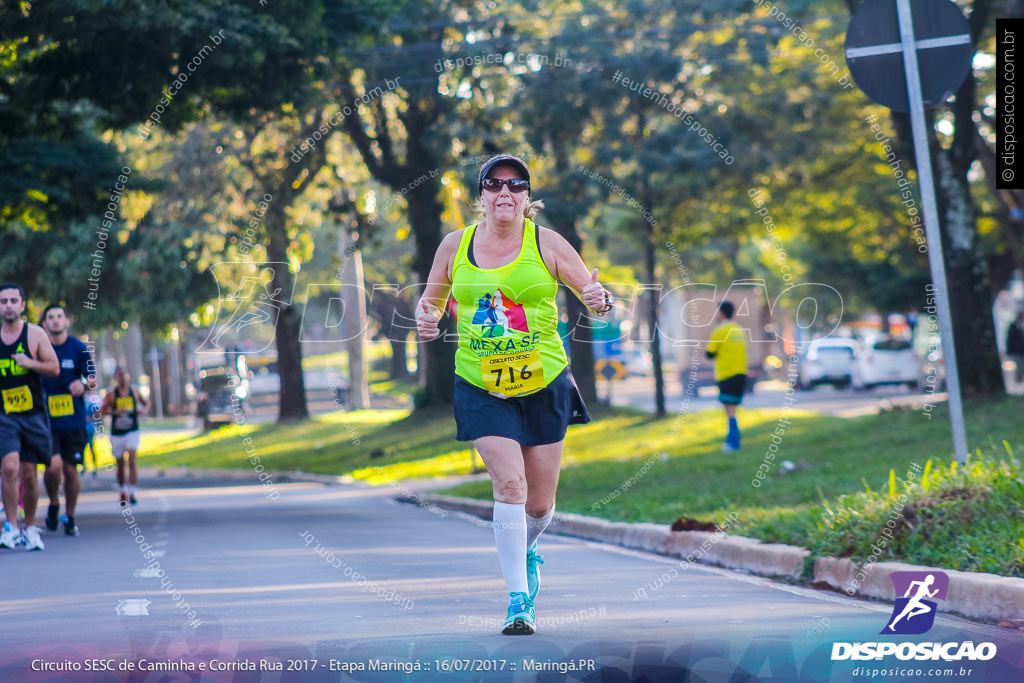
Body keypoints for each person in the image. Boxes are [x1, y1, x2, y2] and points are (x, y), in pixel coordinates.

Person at [416, 154, 613, 635]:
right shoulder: (454, 245)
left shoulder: (547, 242)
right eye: (494, 184)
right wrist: (425, 318)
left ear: (527, 197)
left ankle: (526, 548)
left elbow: (595, 294)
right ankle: (517, 600)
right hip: (482, 384)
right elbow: (431, 302)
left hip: (544, 382)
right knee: (509, 486)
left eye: (515, 185)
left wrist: (599, 299)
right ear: (481, 195)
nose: (505, 192)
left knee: (540, 505)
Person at [0, 283, 60, 551]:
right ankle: (10, 527)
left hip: (33, 414)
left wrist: (30, 363)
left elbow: (54, 368)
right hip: (4, 415)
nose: (8, 305)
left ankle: (30, 527)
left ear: (23, 306)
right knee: (9, 467)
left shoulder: (34, 334)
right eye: (3, 301)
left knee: (29, 473)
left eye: (14, 300)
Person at [40, 304, 95, 536]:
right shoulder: (38, 348)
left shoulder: (78, 348)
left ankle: (70, 516)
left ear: (66, 321)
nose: (55, 321)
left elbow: (92, 379)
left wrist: (81, 384)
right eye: (50, 317)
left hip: (73, 421)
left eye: (59, 316)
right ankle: (53, 502)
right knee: (53, 468)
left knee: (71, 471)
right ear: (44, 324)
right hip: (46, 421)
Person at [101, 367, 149, 506]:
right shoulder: (111, 394)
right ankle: (122, 490)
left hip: (132, 431)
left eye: (124, 375)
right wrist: (115, 411)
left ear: (128, 376)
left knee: (132, 458)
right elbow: (102, 411)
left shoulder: (134, 392)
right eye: (119, 375)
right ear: (116, 378)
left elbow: (146, 404)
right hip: (117, 433)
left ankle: (132, 492)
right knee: (120, 464)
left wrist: (142, 411)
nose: (122, 378)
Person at [706, 300, 747, 452]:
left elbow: (709, 353)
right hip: (741, 374)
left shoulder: (720, 331)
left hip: (726, 375)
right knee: (733, 409)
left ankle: (733, 442)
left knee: (729, 411)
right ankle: (733, 441)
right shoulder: (739, 330)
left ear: (721, 313)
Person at [1006, 311, 1024, 389]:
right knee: (1019, 366)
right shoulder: (1013, 326)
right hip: (1016, 351)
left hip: (1022, 350)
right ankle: (1019, 382)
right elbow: (1010, 339)